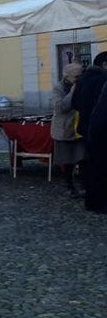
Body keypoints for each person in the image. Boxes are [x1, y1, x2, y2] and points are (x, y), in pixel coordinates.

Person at [72, 52, 107, 213]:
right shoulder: (101, 80)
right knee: (101, 167)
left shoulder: (83, 78)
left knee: (92, 165)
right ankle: (99, 203)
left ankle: (91, 201)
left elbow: (75, 103)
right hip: (101, 128)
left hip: (87, 127)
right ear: (104, 65)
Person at [51, 63, 85, 199]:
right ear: (67, 77)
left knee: (83, 158)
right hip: (64, 129)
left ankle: (84, 186)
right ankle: (69, 186)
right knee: (67, 160)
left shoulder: (81, 84)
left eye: (81, 75)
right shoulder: (58, 89)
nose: (79, 79)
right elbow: (61, 107)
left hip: (79, 128)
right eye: (76, 77)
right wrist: (72, 92)